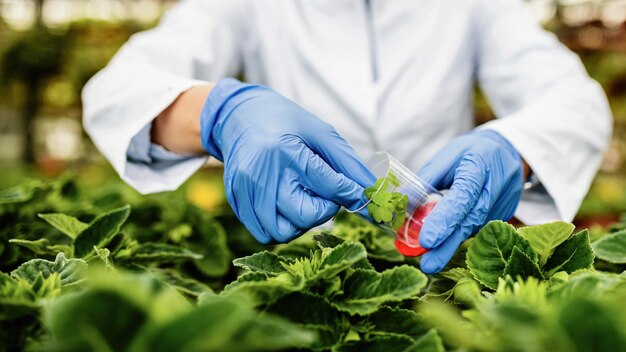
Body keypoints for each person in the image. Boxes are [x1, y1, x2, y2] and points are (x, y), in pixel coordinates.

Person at [83, 0, 612, 274]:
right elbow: (116, 92)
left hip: (447, 248)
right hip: (307, 262)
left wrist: (512, 149)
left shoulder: (476, 6)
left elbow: (576, 102)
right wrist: (221, 113)